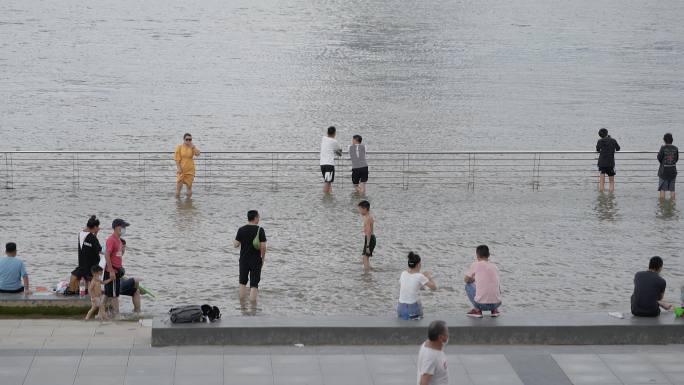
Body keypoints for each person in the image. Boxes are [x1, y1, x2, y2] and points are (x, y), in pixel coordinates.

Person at [233, 210, 267, 303]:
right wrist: (262, 258)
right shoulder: (260, 230)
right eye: (258, 217)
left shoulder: (241, 229)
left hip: (243, 260)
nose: (259, 219)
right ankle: (252, 306)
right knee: (254, 283)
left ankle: (242, 304)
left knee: (242, 282)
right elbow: (263, 247)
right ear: (255, 218)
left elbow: (236, 245)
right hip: (255, 260)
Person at [464, 245, 502, 318]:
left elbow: (466, 280)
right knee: (493, 284)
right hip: (497, 303)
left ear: (477, 255)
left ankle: (477, 310)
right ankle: (494, 310)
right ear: (489, 255)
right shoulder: (495, 266)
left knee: (468, 285)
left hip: (481, 304)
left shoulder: (476, 264)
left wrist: (474, 279)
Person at [397, 252, 437, 320]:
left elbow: (409, 283)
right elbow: (434, 287)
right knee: (418, 300)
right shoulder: (420, 276)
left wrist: (422, 276)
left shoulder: (403, 273)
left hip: (400, 309)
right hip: (412, 310)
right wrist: (429, 277)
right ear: (418, 265)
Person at [69, 215, 102, 294]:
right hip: (92, 264)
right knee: (91, 280)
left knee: (79, 274)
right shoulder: (92, 238)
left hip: (82, 263)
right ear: (94, 227)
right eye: (97, 227)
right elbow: (99, 249)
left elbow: (89, 243)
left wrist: (95, 234)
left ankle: (73, 291)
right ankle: (91, 294)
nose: (98, 229)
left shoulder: (80, 234)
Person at [104, 218, 129, 317]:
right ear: (116, 227)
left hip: (117, 270)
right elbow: (107, 255)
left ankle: (101, 312)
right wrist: (111, 271)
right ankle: (117, 314)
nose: (124, 229)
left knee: (108, 294)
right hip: (112, 271)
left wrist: (123, 250)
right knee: (114, 295)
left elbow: (118, 255)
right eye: (123, 227)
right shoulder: (111, 239)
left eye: (125, 227)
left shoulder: (119, 240)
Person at [417, 320, 449, 385]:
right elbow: (423, 382)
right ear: (440, 337)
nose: (448, 335)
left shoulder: (428, 344)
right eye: (447, 333)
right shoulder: (431, 358)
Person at [118, 239, 142, 314]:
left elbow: (118, 273)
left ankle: (137, 312)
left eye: (124, 247)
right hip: (112, 285)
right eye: (122, 247)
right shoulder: (113, 256)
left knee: (136, 291)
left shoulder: (119, 256)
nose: (124, 249)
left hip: (118, 282)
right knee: (136, 280)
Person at [175, 133, 201, 198]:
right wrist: (179, 168)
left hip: (190, 169)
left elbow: (198, 154)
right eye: (187, 139)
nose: (188, 141)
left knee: (189, 187)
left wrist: (193, 147)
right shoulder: (179, 147)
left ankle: (189, 203)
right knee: (178, 187)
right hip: (182, 169)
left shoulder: (192, 147)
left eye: (190, 139)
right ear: (184, 139)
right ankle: (178, 204)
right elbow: (177, 159)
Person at [596, 128, 621, 193]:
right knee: (611, 181)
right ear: (607, 133)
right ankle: (611, 197)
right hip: (610, 163)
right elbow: (618, 149)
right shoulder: (613, 140)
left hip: (602, 163)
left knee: (601, 180)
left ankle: (601, 195)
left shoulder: (600, 141)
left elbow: (598, 150)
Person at [320, 126, 342, 194]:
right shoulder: (334, 141)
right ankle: (325, 198)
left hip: (322, 164)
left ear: (327, 132)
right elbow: (339, 152)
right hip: (329, 164)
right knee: (328, 182)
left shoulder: (323, 138)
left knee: (328, 181)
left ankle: (330, 197)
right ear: (335, 133)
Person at [657, 133, 678, 201]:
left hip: (664, 172)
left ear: (664, 140)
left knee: (663, 189)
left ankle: (662, 206)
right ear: (672, 140)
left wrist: (663, 163)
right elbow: (676, 159)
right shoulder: (676, 148)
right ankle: (672, 205)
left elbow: (659, 157)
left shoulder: (663, 148)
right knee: (672, 190)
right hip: (673, 171)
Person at [358, 200, 376, 272]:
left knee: (365, 257)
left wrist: (368, 246)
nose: (359, 212)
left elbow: (368, 232)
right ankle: (369, 271)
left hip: (370, 238)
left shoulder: (367, 218)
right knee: (366, 257)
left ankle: (367, 274)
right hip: (370, 238)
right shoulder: (369, 217)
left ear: (365, 209)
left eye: (360, 209)